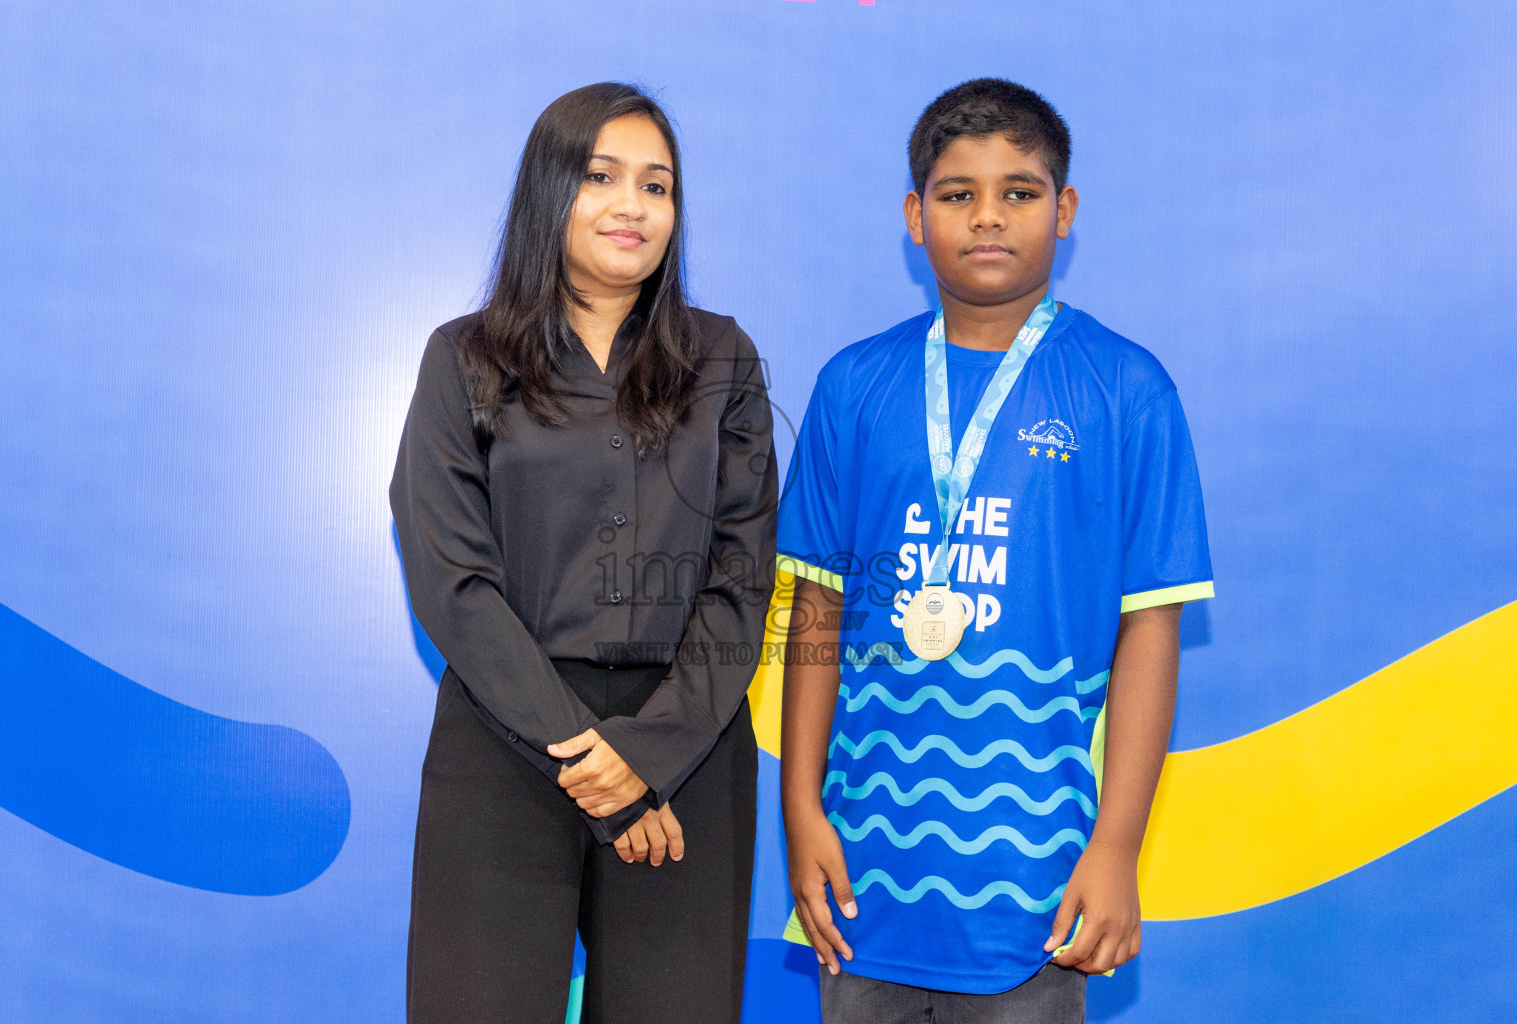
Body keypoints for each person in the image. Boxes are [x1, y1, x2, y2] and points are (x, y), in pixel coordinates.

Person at [778, 78, 1213, 1022]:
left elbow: (1151, 632)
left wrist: (1116, 848)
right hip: (862, 881)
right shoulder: (853, 385)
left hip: (1038, 890)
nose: (987, 217)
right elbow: (816, 610)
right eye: (956, 192)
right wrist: (801, 808)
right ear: (913, 214)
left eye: (1019, 192)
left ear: (1064, 211)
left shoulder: (1128, 391)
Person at [390, 82, 776, 1024]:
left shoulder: (723, 359)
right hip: (506, 740)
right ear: (548, 192)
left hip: (688, 748)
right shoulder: (465, 358)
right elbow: (453, 579)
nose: (633, 206)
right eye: (602, 177)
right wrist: (589, 759)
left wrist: (646, 755)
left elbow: (743, 574)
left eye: (658, 185)